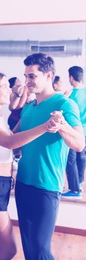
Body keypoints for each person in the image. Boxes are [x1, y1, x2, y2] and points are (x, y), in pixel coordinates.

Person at [0, 72, 61, 260]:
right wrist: (45, 126)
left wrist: (30, 113)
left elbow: (12, 138)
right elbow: (9, 142)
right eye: (3, 86)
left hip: (0, 184)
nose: (9, 90)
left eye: (8, 86)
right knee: (9, 249)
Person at [15, 53, 84, 260]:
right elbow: (15, 140)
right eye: (26, 76)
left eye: (32, 76)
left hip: (47, 186)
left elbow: (80, 144)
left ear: (48, 75)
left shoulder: (64, 104)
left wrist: (62, 126)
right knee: (28, 246)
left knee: (40, 247)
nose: (27, 81)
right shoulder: (28, 106)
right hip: (22, 183)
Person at [62, 66, 86, 199]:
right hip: (84, 131)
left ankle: (75, 189)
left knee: (70, 160)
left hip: (73, 131)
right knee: (81, 157)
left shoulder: (70, 94)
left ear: (71, 77)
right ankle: (79, 183)